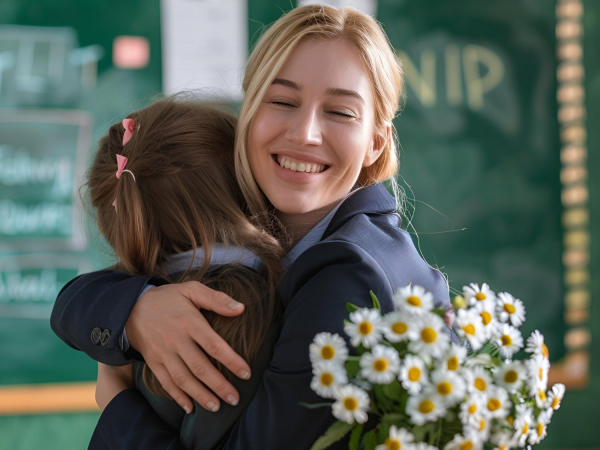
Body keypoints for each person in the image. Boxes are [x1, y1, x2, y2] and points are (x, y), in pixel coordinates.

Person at [51, 5, 456, 449]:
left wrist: (117, 406)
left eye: (340, 112)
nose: (305, 133)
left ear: (375, 143)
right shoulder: (260, 226)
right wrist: (136, 310)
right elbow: (78, 300)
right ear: (247, 115)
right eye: (282, 101)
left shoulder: (349, 273)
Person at [60, 95, 285, 448]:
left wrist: (115, 399)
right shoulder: (260, 304)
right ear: (239, 185)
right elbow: (71, 301)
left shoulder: (147, 299)